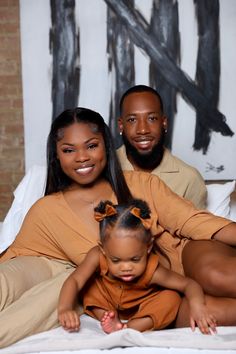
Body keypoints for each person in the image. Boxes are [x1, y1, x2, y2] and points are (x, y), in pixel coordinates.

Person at [0, 107, 236, 348]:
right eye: (69, 150)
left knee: (215, 276)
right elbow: (18, 256)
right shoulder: (46, 211)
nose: (82, 157)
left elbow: (194, 221)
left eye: (91, 146)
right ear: (57, 156)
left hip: (186, 256)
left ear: (106, 146)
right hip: (159, 297)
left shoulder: (141, 183)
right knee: (211, 315)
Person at [58, 199, 217, 335]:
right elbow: (75, 280)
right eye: (116, 260)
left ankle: (129, 327)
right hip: (107, 300)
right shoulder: (96, 256)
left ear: (148, 248)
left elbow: (189, 284)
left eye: (134, 259)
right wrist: (65, 308)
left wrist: (197, 306)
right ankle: (107, 316)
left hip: (142, 307)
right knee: (89, 288)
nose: (126, 267)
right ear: (103, 250)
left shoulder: (153, 270)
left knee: (171, 298)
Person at [116, 85, 207, 209]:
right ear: (121, 126)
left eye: (152, 118)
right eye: (132, 120)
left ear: (164, 123)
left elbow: (196, 227)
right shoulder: (103, 168)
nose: (143, 130)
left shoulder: (189, 179)